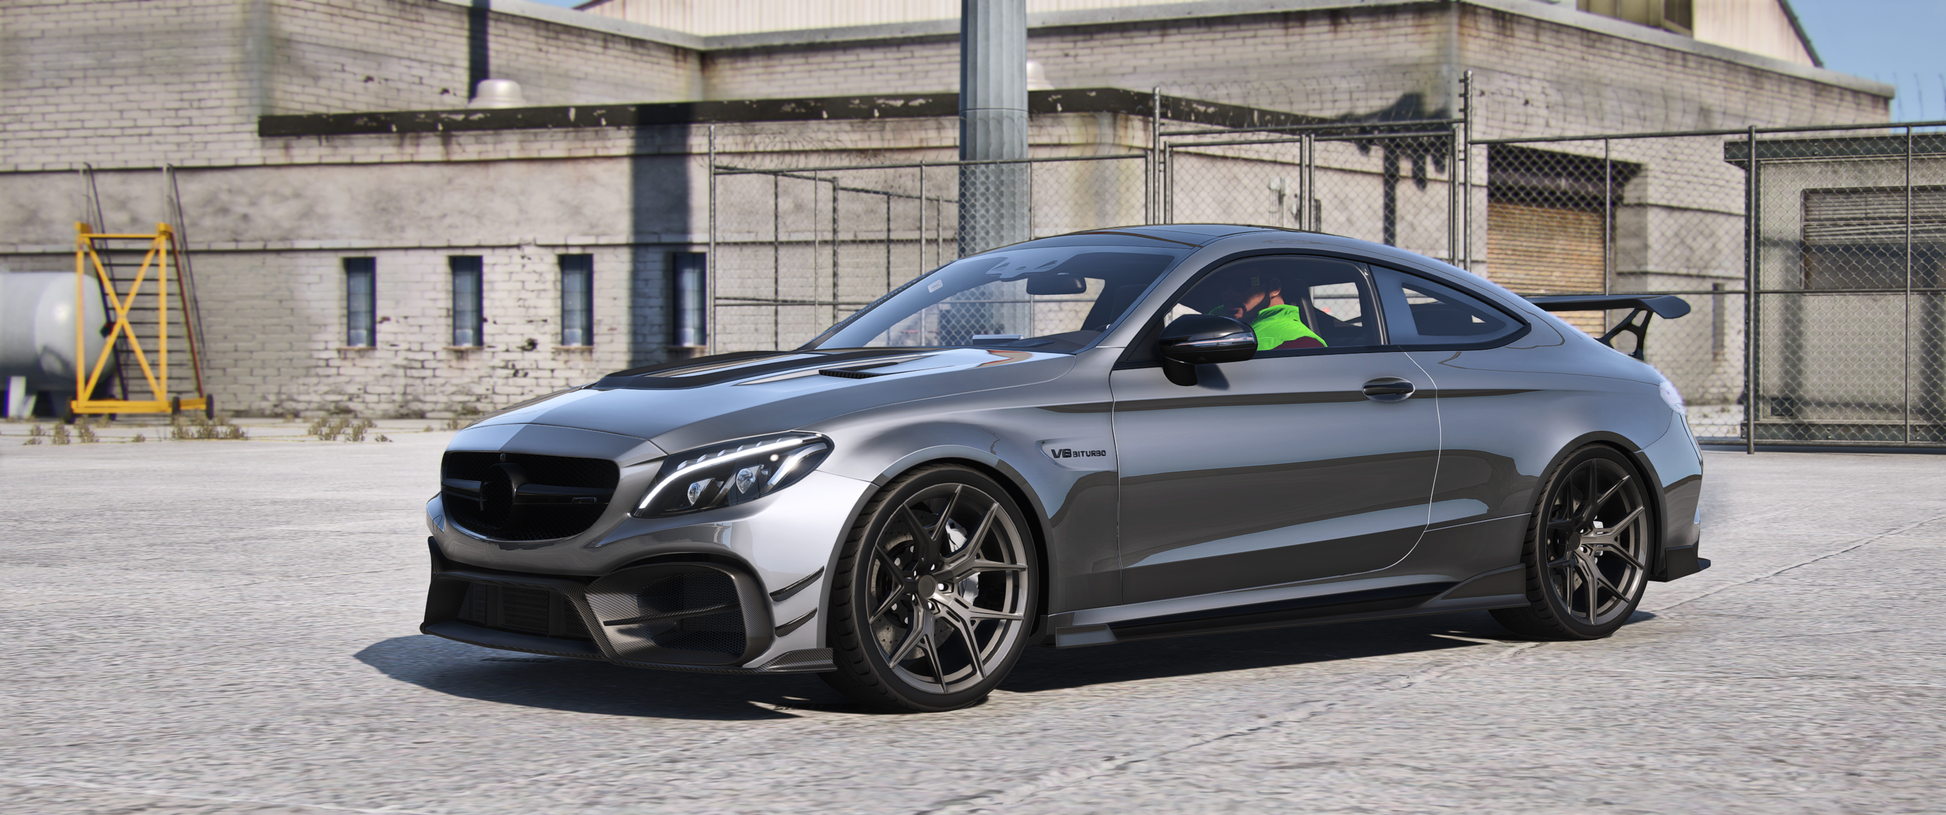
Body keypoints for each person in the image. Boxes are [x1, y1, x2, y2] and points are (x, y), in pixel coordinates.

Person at [1206, 275, 1325, 351]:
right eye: (1223, 285)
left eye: (1240, 284)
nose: (1228, 293)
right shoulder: (1213, 329)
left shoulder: (1302, 343)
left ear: (1274, 288)